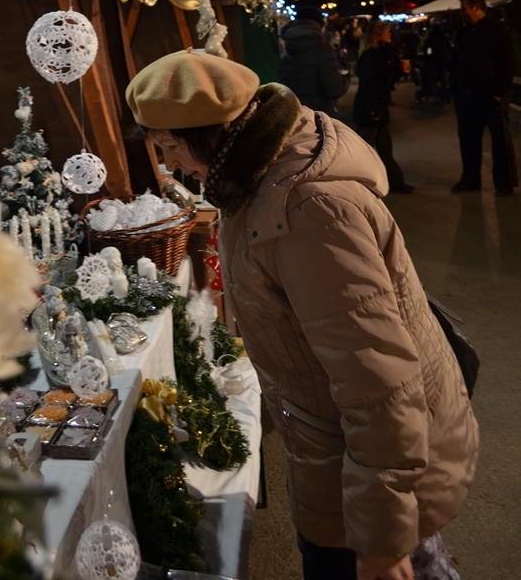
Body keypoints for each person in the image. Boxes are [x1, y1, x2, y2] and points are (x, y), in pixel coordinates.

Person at [126, 50, 478, 580]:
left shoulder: (305, 207)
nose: (168, 164)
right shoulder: (257, 175)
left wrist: (382, 538)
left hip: (360, 469)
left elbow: (377, 378)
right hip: (340, 458)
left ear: (213, 132)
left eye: (171, 146)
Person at [450, 0, 518, 195]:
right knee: (469, 139)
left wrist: (498, 92)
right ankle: (470, 179)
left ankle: (504, 183)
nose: (462, 14)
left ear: (477, 8)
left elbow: (508, 63)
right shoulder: (464, 33)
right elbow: (457, 62)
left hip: (490, 95)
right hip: (468, 95)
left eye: (465, 9)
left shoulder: (497, 30)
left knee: (499, 140)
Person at [353, 20, 414, 193]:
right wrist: (372, 110)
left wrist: (399, 71)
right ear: (379, 34)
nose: (390, 35)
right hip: (371, 109)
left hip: (377, 107)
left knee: (385, 148)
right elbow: (368, 85)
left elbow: (384, 81)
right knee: (364, 149)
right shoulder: (370, 55)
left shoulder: (380, 53)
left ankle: (395, 181)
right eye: (387, 32)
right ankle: (355, 181)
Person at [279, 6, 350, 115]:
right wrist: (346, 79)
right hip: (317, 116)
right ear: (319, 25)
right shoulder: (323, 51)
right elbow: (334, 89)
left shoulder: (286, 48)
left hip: (292, 114)